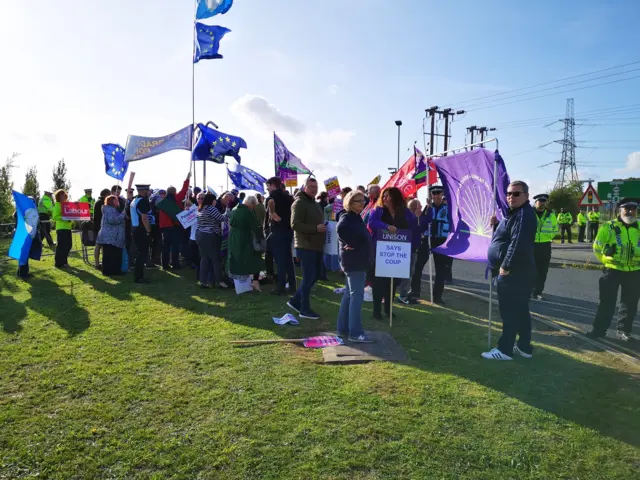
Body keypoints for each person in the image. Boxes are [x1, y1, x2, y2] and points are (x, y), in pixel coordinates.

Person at [483, 180, 537, 360]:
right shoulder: (515, 214)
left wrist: (506, 266)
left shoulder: (524, 214)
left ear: (526, 196)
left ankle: (505, 350)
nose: (511, 197)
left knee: (510, 312)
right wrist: (498, 224)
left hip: (514, 273)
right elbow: (509, 236)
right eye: (508, 194)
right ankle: (523, 347)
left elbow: (518, 243)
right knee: (520, 310)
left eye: (516, 194)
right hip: (517, 272)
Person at [587, 198, 640, 342]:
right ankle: (598, 330)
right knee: (606, 302)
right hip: (613, 270)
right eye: (626, 209)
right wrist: (605, 260)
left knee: (630, 304)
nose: (630, 212)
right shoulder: (608, 227)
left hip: (634, 271)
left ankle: (624, 331)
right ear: (620, 210)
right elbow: (597, 247)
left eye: (633, 209)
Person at [368, 186, 416, 318]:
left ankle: (388, 309)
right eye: (383, 196)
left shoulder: (404, 212)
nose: (383, 198)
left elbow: (413, 224)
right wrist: (386, 227)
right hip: (381, 252)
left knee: (393, 282)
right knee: (379, 282)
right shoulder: (378, 210)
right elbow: (371, 223)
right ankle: (376, 310)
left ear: (395, 197)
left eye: (387, 196)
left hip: (398, 253)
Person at [337, 191, 373, 343]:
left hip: (355, 261)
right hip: (355, 263)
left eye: (363, 200)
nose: (362, 203)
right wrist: (352, 244)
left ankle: (343, 329)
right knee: (356, 297)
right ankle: (355, 332)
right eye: (358, 201)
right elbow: (341, 229)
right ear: (350, 203)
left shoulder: (355, 217)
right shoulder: (348, 218)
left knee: (349, 295)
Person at [288, 177, 326, 319]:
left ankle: (295, 301)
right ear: (304, 187)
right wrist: (315, 228)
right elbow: (295, 224)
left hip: (316, 245)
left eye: (315, 187)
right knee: (309, 276)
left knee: (315, 275)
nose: (313, 189)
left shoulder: (314, 204)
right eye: (310, 186)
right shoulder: (299, 203)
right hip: (305, 245)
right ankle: (304, 309)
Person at [410, 185, 449, 305]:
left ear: (442, 194)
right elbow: (421, 224)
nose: (436, 196)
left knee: (440, 270)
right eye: (434, 193)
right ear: (431, 196)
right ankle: (415, 292)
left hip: (441, 240)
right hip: (427, 240)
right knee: (418, 267)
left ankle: (437, 296)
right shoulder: (427, 208)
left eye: (439, 193)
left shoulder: (448, 209)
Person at [264, 177, 296, 295]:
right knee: (288, 259)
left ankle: (281, 286)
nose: (267, 188)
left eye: (268, 186)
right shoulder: (289, 198)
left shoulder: (272, 198)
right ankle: (292, 284)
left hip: (277, 231)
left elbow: (270, 215)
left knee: (280, 261)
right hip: (288, 231)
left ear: (273, 185)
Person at [227, 195, 264, 292]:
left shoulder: (235, 209)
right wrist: (261, 237)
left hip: (233, 237)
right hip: (244, 239)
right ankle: (253, 282)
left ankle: (239, 283)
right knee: (254, 258)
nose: (254, 208)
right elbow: (255, 227)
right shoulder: (247, 212)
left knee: (235, 258)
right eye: (254, 206)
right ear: (251, 204)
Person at [196, 192, 229, 289]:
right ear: (212, 201)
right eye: (215, 200)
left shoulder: (201, 208)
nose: (216, 202)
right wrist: (227, 212)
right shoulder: (211, 208)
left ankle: (203, 281)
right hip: (209, 236)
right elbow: (222, 218)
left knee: (204, 259)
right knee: (216, 260)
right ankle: (220, 281)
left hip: (200, 235)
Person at [159, 172, 191, 270]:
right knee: (175, 247)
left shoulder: (162, 203)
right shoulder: (176, 199)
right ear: (174, 192)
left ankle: (164, 265)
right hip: (174, 227)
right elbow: (184, 189)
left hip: (164, 228)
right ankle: (175, 264)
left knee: (166, 247)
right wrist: (187, 178)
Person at [531, 194, 558, 300]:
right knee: (530, 269)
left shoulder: (551, 214)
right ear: (535, 202)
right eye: (539, 201)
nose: (542, 203)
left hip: (545, 245)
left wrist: (548, 236)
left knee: (542, 270)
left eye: (544, 201)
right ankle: (529, 290)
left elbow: (555, 228)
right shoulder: (530, 213)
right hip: (531, 244)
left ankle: (538, 292)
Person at [397, 198, 422, 304]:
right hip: (407, 249)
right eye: (419, 206)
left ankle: (404, 294)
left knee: (408, 273)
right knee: (406, 273)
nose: (421, 208)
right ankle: (403, 295)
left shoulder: (414, 218)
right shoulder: (410, 219)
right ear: (413, 208)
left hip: (411, 249)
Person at [96, 195, 127, 276]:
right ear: (111, 201)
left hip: (111, 237)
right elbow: (112, 220)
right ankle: (110, 271)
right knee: (110, 255)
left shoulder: (112, 209)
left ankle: (112, 271)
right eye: (116, 200)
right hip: (110, 236)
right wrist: (122, 214)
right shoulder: (110, 210)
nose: (118, 202)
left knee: (111, 255)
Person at [130, 184, 152, 284]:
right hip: (141, 229)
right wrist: (149, 231)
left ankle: (139, 276)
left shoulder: (134, 200)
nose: (148, 191)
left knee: (140, 253)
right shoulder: (143, 201)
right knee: (142, 254)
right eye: (147, 190)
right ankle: (138, 277)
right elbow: (144, 218)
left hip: (134, 228)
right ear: (143, 191)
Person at [51, 189, 73, 268]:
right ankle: (58, 263)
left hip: (67, 228)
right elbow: (55, 217)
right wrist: (65, 217)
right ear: (58, 197)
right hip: (61, 228)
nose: (64, 196)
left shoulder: (67, 205)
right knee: (61, 246)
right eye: (62, 195)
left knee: (68, 245)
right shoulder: (57, 205)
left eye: (64, 195)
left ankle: (64, 261)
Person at [93, 188, 112, 269]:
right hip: (101, 227)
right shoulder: (102, 203)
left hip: (98, 226)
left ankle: (98, 263)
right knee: (100, 246)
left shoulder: (97, 202)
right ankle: (98, 263)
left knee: (99, 245)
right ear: (106, 195)